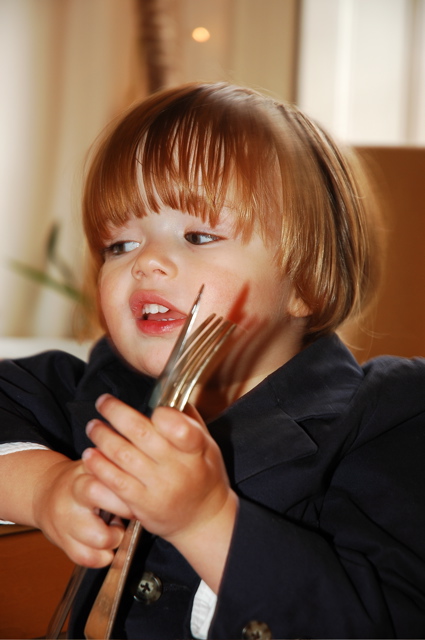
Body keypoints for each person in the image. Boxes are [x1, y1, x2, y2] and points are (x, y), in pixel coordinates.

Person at [0, 82, 424, 640]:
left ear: (306, 284)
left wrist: (207, 521)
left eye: (198, 235)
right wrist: (46, 489)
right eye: (119, 245)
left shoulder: (388, 418)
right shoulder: (104, 390)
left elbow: (390, 619)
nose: (147, 263)